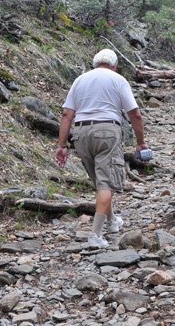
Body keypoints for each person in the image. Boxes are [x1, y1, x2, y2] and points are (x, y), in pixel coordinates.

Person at [55, 48, 149, 248]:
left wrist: (62, 145)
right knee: (106, 183)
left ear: (95, 63)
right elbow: (135, 114)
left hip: (80, 135)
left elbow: (66, 114)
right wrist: (140, 142)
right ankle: (95, 235)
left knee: (100, 182)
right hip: (106, 131)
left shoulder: (80, 80)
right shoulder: (118, 79)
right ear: (114, 65)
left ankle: (112, 221)